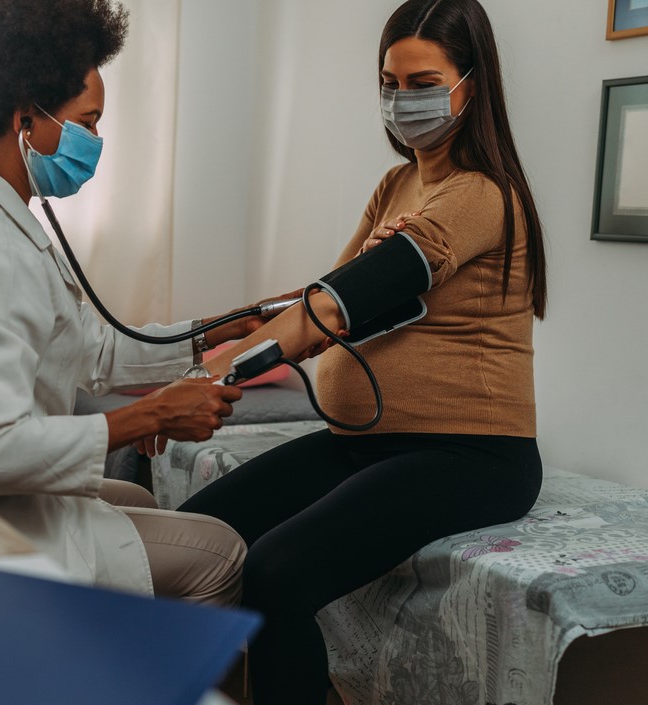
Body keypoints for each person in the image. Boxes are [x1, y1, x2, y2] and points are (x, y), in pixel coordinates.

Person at [0, 0, 284, 606]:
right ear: (26, 118)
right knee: (222, 553)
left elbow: (93, 349)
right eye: (88, 122)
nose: (96, 142)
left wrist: (214, 331)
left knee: (137, 500)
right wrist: (151, 417)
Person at [178, 0, 548, 701]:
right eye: (390, 83)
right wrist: (208, 352)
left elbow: (340, 305)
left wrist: (214, 370)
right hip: (363, 442)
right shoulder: (398, 183)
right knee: (199, 534)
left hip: (470, 454)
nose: (401, 101)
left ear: (472, 85)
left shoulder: (482, 195)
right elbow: (317, 303)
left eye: (422, 83)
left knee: (275, 570)